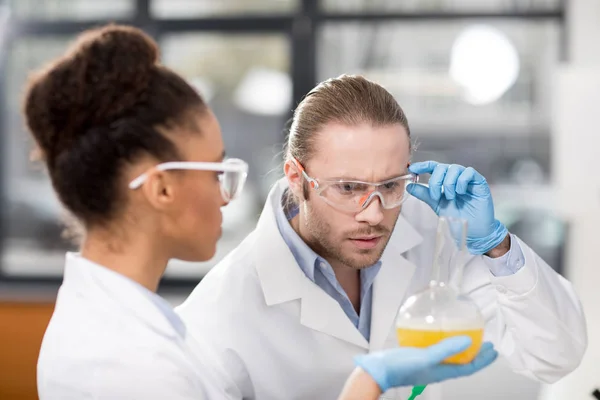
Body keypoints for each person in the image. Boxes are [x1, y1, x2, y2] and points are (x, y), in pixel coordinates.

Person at [27, 25, 497, 400]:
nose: (225, 196)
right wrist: (370, 382)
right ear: (162, 188)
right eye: (216, 171)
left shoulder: (127, 326)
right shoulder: (125, 369)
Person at [177, 74, 588, 400]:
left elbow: (555, 356)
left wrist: (496, 245)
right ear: (296, 178)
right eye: (348, 188)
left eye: (391, 185)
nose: (374, 213)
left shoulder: (427, 231)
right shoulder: (221, 312)